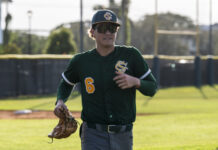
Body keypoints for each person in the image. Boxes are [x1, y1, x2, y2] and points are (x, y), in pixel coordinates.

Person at [54, 9, 157, 150]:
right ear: (92, 32)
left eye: (112, 28)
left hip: (123, 135)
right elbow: (66, 84)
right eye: (102, 28)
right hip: (92, 134)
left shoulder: (131, 55)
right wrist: (60, 101)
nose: (108, 32)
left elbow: (152, 87)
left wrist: (136, 82)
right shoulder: (81, 61)